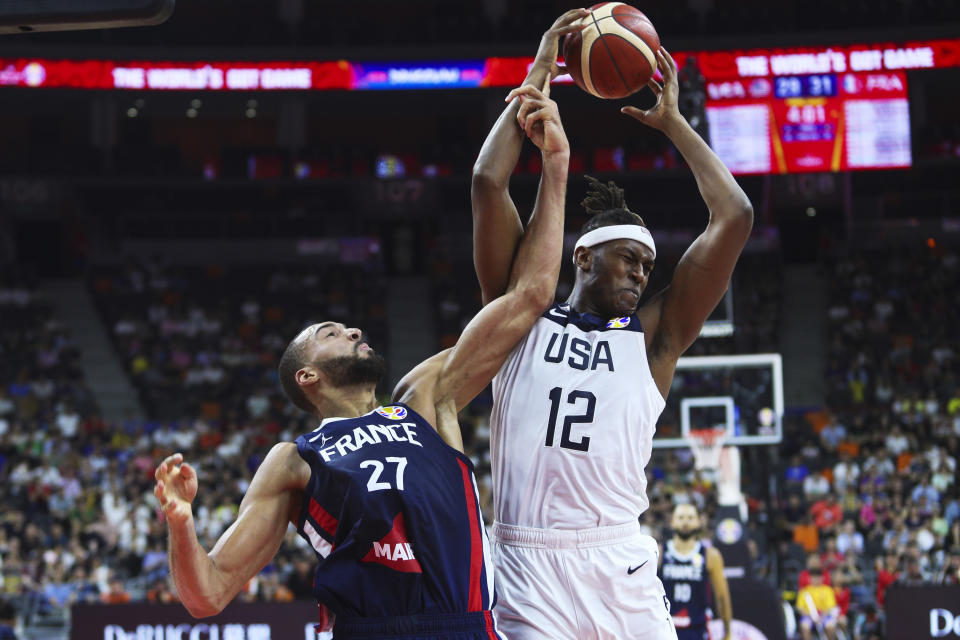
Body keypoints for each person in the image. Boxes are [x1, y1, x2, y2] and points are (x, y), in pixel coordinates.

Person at [154, 80, 570, 640]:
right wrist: (180, 524)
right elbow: (207, 594)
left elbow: (529, 296)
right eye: (330, 333)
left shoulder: (427, 396)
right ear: (308, 376)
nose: (352, 329)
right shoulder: (294, 460)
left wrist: (556, 163)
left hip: (466, 626)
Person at [471, 11, 753, 639]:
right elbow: (489, 183)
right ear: (584, 256)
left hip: (618, 557)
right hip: (523, 561)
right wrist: (537, 77)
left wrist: (675, 125)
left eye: (649, 266)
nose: (641, 275)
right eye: (630, 259)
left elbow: (733, 216)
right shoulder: (520, 311)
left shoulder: (654, 337)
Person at [658, 504, 732, 640]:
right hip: (664, 630)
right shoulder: (659, 552)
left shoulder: (710, 555)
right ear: (672, 522)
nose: (685, 522)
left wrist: (727, 631)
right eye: (681, 517)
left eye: (690, 518)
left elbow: (722, 596)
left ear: (699, 522)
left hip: (697, 630)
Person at [796, 568, 839, 640]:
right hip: (809, 616)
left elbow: (830, 607)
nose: (816, 579)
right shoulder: (804, 591)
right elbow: (800, 608)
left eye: (818, 577)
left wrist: (820, 617)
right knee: (804, 626)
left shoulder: (828, 590)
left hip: (824, 616)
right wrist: (812, 616)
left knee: (830, 626)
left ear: (822, 578)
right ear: (809, 578)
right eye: (813, 577)